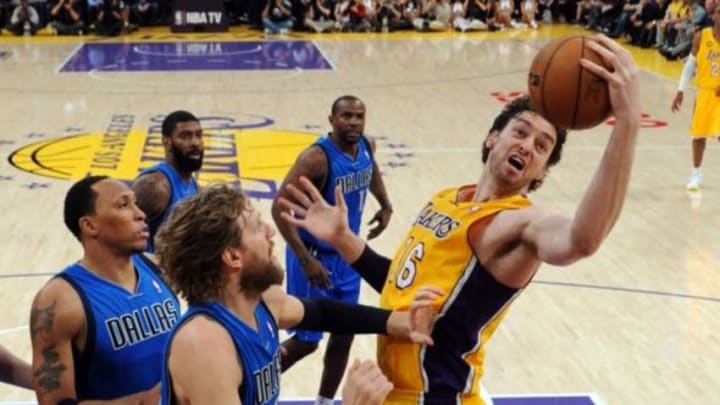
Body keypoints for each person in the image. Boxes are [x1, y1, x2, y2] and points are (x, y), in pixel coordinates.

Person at [279, 34, 640, 405]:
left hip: (436, 395)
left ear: (541, 172)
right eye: (520, 132)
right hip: (396, 390)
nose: (527, 146)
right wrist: (344, 240)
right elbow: (402, 285)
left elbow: (580, 239)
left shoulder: (516, 223)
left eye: (541, 147)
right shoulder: (447, 199)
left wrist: (627, 121)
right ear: (492, 138)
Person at [154, 184, 434, 405]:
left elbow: (322, 313)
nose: (271, 232)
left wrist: (394, 322)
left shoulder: (262, 300)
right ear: (232, 256)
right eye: (257, 227)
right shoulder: (204, 346)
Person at [271, 95, 393, 405]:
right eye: (346, 116)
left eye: (359, 116)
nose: (353, 122)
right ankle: (249, 383)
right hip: (312, 256)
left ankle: (324, 401)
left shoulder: (366, 145)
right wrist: (305, 258)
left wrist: (385, 204)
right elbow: (278, 208)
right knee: (307, 341)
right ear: (332, 120)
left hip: (348, 257)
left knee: (344, 332)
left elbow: (371, 170)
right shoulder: (316, 158)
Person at [29, 176, 180, 405]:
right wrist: (143, 402)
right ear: (90, 225)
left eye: (136, 203)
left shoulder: (158, 268)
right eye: (123, 205)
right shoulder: (61, 300)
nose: (140, 214)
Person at [132, 110, 203, 252]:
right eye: (185, 136)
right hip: (150, 272)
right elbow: (119, 236)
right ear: (167, 142)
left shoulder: (194, 187)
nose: (195, 142)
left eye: (198, 135)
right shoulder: (156, 186)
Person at [671, 2, 720, 191]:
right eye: (718, 13)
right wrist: (681, 90)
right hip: (705, 93)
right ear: (714, 16)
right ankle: (696, 174)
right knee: (699, 135)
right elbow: (690, 65)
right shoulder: (701, 37)